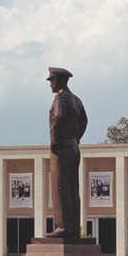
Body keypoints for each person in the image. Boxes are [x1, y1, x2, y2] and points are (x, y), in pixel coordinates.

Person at [46, 67, 88, 238]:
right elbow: (84, 121)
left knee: (60, 187)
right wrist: (76, 138)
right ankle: (73, 228)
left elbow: (58, 117)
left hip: (62, 145)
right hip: (73, 145)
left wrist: (54, 139)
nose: (50, 85)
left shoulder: (61, 97)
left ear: (57, 81)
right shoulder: (76, 100)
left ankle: (62, 227)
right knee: (72, 187)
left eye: (51, 81)